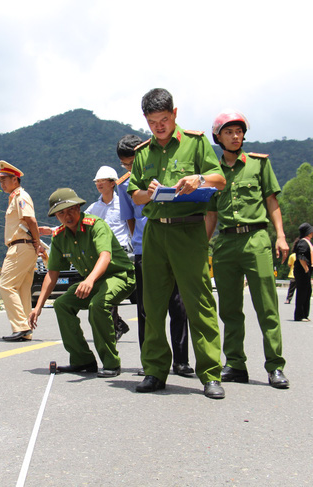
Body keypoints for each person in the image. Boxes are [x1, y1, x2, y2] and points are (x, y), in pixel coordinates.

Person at [127, 88, 227, 399]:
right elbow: (136, 196)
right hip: (156, 233)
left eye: (164, 119)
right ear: (146, 120)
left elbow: (219, 179)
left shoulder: (196, 144)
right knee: (153, 306)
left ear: (175, 114)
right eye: (153, 121)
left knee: (198, 303)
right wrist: (151, 192)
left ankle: (211, 373)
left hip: (189, 231)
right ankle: (155, 371)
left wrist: (198, 179)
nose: (159, 126)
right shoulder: (143, 154)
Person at [205, 109, 290, 389]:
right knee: (229, 309)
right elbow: (211, 215)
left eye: (239, 131)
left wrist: (280, 236)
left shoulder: (259, 165)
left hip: (256, 239)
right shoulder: (213, 173)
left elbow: (272, 202)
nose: (235, 136)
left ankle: (275, 366)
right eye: (229, 132)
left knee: (267, 307)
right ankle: (236, 364)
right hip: (225, 243)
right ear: (218, 137)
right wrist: (202, 247)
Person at [29, 188, 135, 378]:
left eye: (71, 210)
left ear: (79, 207)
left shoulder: (96, 226)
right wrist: (38, 307)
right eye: (61, 213)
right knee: (62, 304)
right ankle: (82, 360)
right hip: (92, 280)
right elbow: (52, 273)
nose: (67, 216)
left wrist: (90, 280)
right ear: (56, 216)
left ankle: (111, 362)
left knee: (98, 305)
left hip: (119, 275)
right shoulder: (60, 236)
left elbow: (105, 256)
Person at [117, 134, 194, 378]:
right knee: (146, 308)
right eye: (126, 165)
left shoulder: (164, 171)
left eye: (132, 163)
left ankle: (181, 361)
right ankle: (149, 361)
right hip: (144, 249)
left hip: (172, 242)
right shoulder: (123, 186)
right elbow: (130, 218)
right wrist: (140, 241)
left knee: (178, 304)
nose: (130, 169)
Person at [0, 160, 42, 342]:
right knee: (22, 288)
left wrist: (37, 243)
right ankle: (26, 330)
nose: (2, 183)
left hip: (21, 246)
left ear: (15, 180)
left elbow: (31, 220)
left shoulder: (21, 197)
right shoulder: (15, 198)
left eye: (5, 179)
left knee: (5, 284)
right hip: (24, 246)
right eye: (0, 180)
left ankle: (21, 326)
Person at [85, 165, 132, 341]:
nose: (99, 184)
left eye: (102, 181)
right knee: (101, 291)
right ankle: (118, 324)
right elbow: (81, 224)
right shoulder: (93, 208)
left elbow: (131, 226)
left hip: (120, 252)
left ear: (113, 183)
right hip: (101, 255)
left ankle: (115, 328)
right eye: (97, 181)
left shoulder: (123, 204)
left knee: (109, 290)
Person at [293, 223, 313, 322]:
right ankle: (299, 315)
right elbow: (301, 256)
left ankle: (304, 314)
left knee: (307, 292)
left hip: (305, 270)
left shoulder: (306, 242)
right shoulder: (303, 243)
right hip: (302, 270)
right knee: (302, 292)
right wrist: (306, 268)